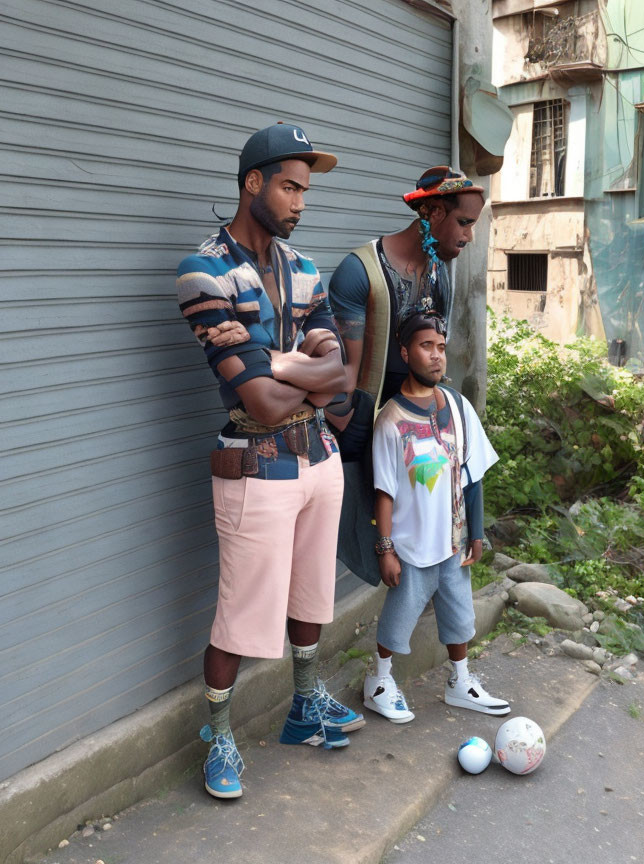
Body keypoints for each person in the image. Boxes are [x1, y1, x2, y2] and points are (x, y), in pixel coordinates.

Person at [176, 123, 364, 800]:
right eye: (289, 186)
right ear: (252, 182)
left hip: (319, 458)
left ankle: (304, 705)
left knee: (313, 596)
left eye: (305, 190)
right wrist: (296, 370)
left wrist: (282, 364)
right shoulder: (204, 271)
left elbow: (340, 372)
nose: (301, 202)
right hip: (253, 462)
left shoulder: (305, 269)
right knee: (241, 615)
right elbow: (257, 397)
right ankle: (218, 734)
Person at [326, 167, 486, 586]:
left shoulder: (440, 276)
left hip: (422, 428)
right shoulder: (360, 272)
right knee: (345, 539)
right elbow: (347, 378)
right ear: (432, 212)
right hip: (364, 433)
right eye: (464, 223)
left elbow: (436, 358)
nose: (469, 237)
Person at [363, 309, 510, 723]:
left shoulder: (459, 408)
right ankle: (379, 680)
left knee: (460, 615)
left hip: (453, 541)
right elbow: (384, 492)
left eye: (441, 348)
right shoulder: (390, 421)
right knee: (398, 620)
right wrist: (386, 548)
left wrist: (475, 532)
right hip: (412, 545)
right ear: (406, 352)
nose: (436, 356)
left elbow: (472, 473)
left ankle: (460, 681)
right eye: (426, 346)